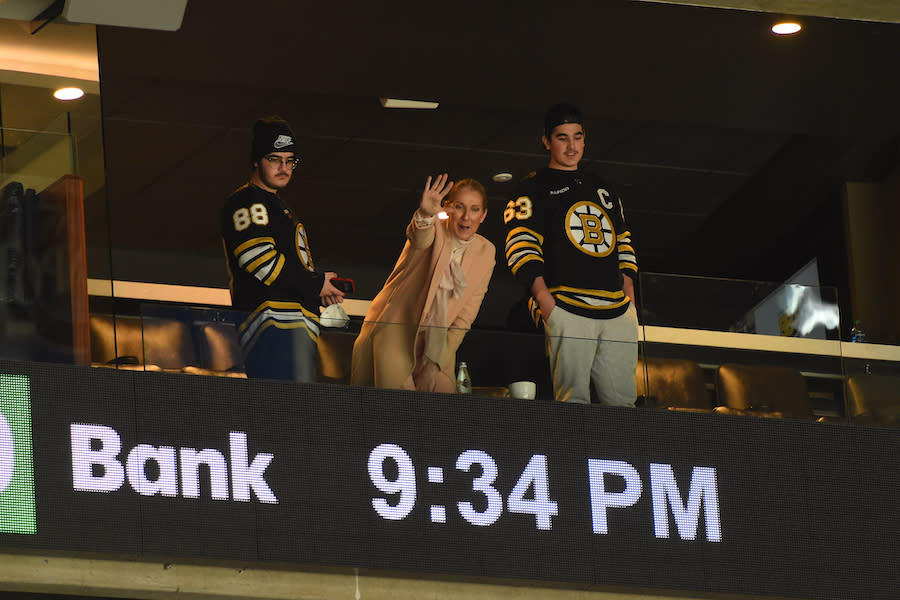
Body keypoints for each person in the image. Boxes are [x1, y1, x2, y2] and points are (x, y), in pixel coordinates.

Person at [503, 103, 638, 405]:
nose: (571, 145)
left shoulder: (602, 186)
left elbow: (623, 239)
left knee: (624, 405)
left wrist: (628, 293)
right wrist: (546, 302)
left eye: (577, 136)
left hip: (616, 309)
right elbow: (520, 244)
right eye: (562, 137)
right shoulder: (532, 187)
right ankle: (573, 454)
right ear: (547, 141)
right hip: (566, 306)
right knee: (572, 404)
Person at [220, 116, 345, 382]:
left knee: (290, 415)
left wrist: (319, 288)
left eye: (290, 161)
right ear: (256, 160)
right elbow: (260, 260)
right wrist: (315, 285)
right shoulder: (248, 200)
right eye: (275, 159)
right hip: (274, 327)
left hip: (291, 330)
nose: (284, 168)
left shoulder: (279, 207)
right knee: (284, 415)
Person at [351, 174, 496, 392]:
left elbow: (464, 319)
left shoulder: (486, 252)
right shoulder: (434, 228)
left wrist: (433, 364)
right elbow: (419, 237)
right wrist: (426, 214)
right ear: (448, 208)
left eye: (475, 209)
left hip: (436, 346)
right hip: (396, 332)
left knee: (441, 413)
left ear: (483, 215)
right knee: (400, 413)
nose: (466, 217)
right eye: (459, 206)